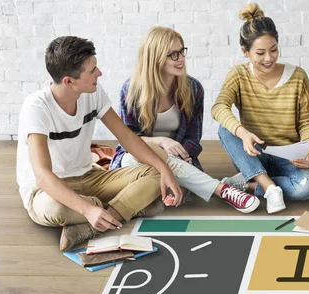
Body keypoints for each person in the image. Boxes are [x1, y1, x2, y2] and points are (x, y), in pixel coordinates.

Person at [16, 36, 182, 252]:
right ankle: (124, 207)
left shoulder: (92, 93)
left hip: (89, 177)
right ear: (69, 81)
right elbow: (42, 176)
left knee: (156, 173)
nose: (99, 73)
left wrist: (164, 168)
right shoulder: (36, 107)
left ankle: (94, 224)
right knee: (54, 209)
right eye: (92, 70)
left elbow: (127, 137)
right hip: (46, 189)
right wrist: (87, 209)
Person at [110, 27, 259, 213]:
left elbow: (193, 139)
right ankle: (222, 190)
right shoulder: (131, 90)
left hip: (180, 161)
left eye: (181, 51)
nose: (181, 58)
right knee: (135, 159)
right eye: (173, 54)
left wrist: (181, 155)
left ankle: (152, 197)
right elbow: (127, 139)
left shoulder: (194, 89)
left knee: (172, 193)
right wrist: (161, 141)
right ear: (155, 58)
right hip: (137, 157)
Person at [211, 3, 309, 214]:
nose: (268, 58)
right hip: (253, 153)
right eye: (260, 53)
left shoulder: (298, 76)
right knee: (226, 129)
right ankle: (269, 188)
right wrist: (243, 133)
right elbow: (219, 107)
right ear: (245, 52)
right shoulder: (239, 75)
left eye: (274, 50)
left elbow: (307, 122)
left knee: (307, 188)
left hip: (288, 156)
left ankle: (249, 184)